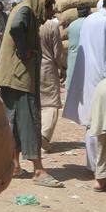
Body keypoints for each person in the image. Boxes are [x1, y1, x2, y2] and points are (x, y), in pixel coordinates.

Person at [0, 0, 63, 188]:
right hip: (20, 77)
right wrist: (24, 51)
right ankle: (39, 170)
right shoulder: (26, 11)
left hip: (10, 77)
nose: (52, 9)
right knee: (30, 120)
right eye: (49, 2)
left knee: (14, 124)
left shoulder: (23, 9)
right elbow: (16, 28)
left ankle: (14, 165)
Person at [62, 0, 106, 185]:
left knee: (93, 122)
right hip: (103, 77)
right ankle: (97, 168)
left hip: (89, 75)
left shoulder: (90, 20)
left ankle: (97, 165)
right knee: (101, 125)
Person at [38, 17, 65, 151]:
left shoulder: (30, 23)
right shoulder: (51, 26)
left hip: (31, 68)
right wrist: (62, 68)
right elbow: (57, 53)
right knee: (51, 104)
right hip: (48, 68)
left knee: (37, 103)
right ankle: (45, 136)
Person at [64, 5, 90, 90]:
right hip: (85, 57)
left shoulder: (71, 25)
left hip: (72, 57)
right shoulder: (89, 23)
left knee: (72, 84)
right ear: (88, 11)